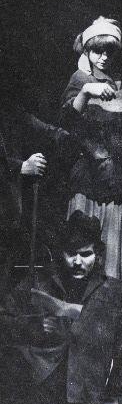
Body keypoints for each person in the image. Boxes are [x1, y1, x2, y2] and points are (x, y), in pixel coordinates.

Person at [0, 211, 122, 404]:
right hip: (36, 396)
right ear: (61, 252)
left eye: (85, 254)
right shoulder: (38, 282)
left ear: (98, 254)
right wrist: (32, 325)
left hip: (86, 399)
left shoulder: (117, 292)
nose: (77, 262)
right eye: (71, 253)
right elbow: (4, 320)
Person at [60, 17, 122, 280]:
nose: (103, 57)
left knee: (114, 264)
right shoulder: (80, 78)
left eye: (109, 52)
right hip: (89, 185)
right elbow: (65, 122)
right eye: (97, 51)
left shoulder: (118, 82)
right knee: (83, 256)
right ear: (87, 51)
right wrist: (85, 92)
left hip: (116, 183)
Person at [0, 101, 71, 300]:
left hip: (9, 216)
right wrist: (20, 167)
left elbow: (41, 128)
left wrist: (68, 137)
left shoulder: (8, 110)